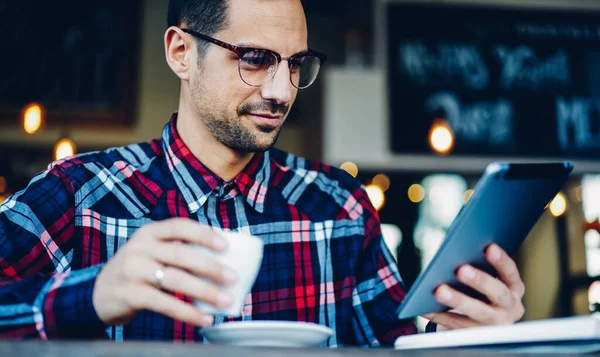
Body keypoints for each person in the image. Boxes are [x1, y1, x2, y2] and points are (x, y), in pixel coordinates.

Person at [0, 0, 525, 346]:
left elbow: (394, 346)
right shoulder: (77, 196)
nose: (280, 90)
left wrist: (462, 335)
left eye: (294, 64)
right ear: (182, 52)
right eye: (254, 58)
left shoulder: (339, 207)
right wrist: (88, 296)